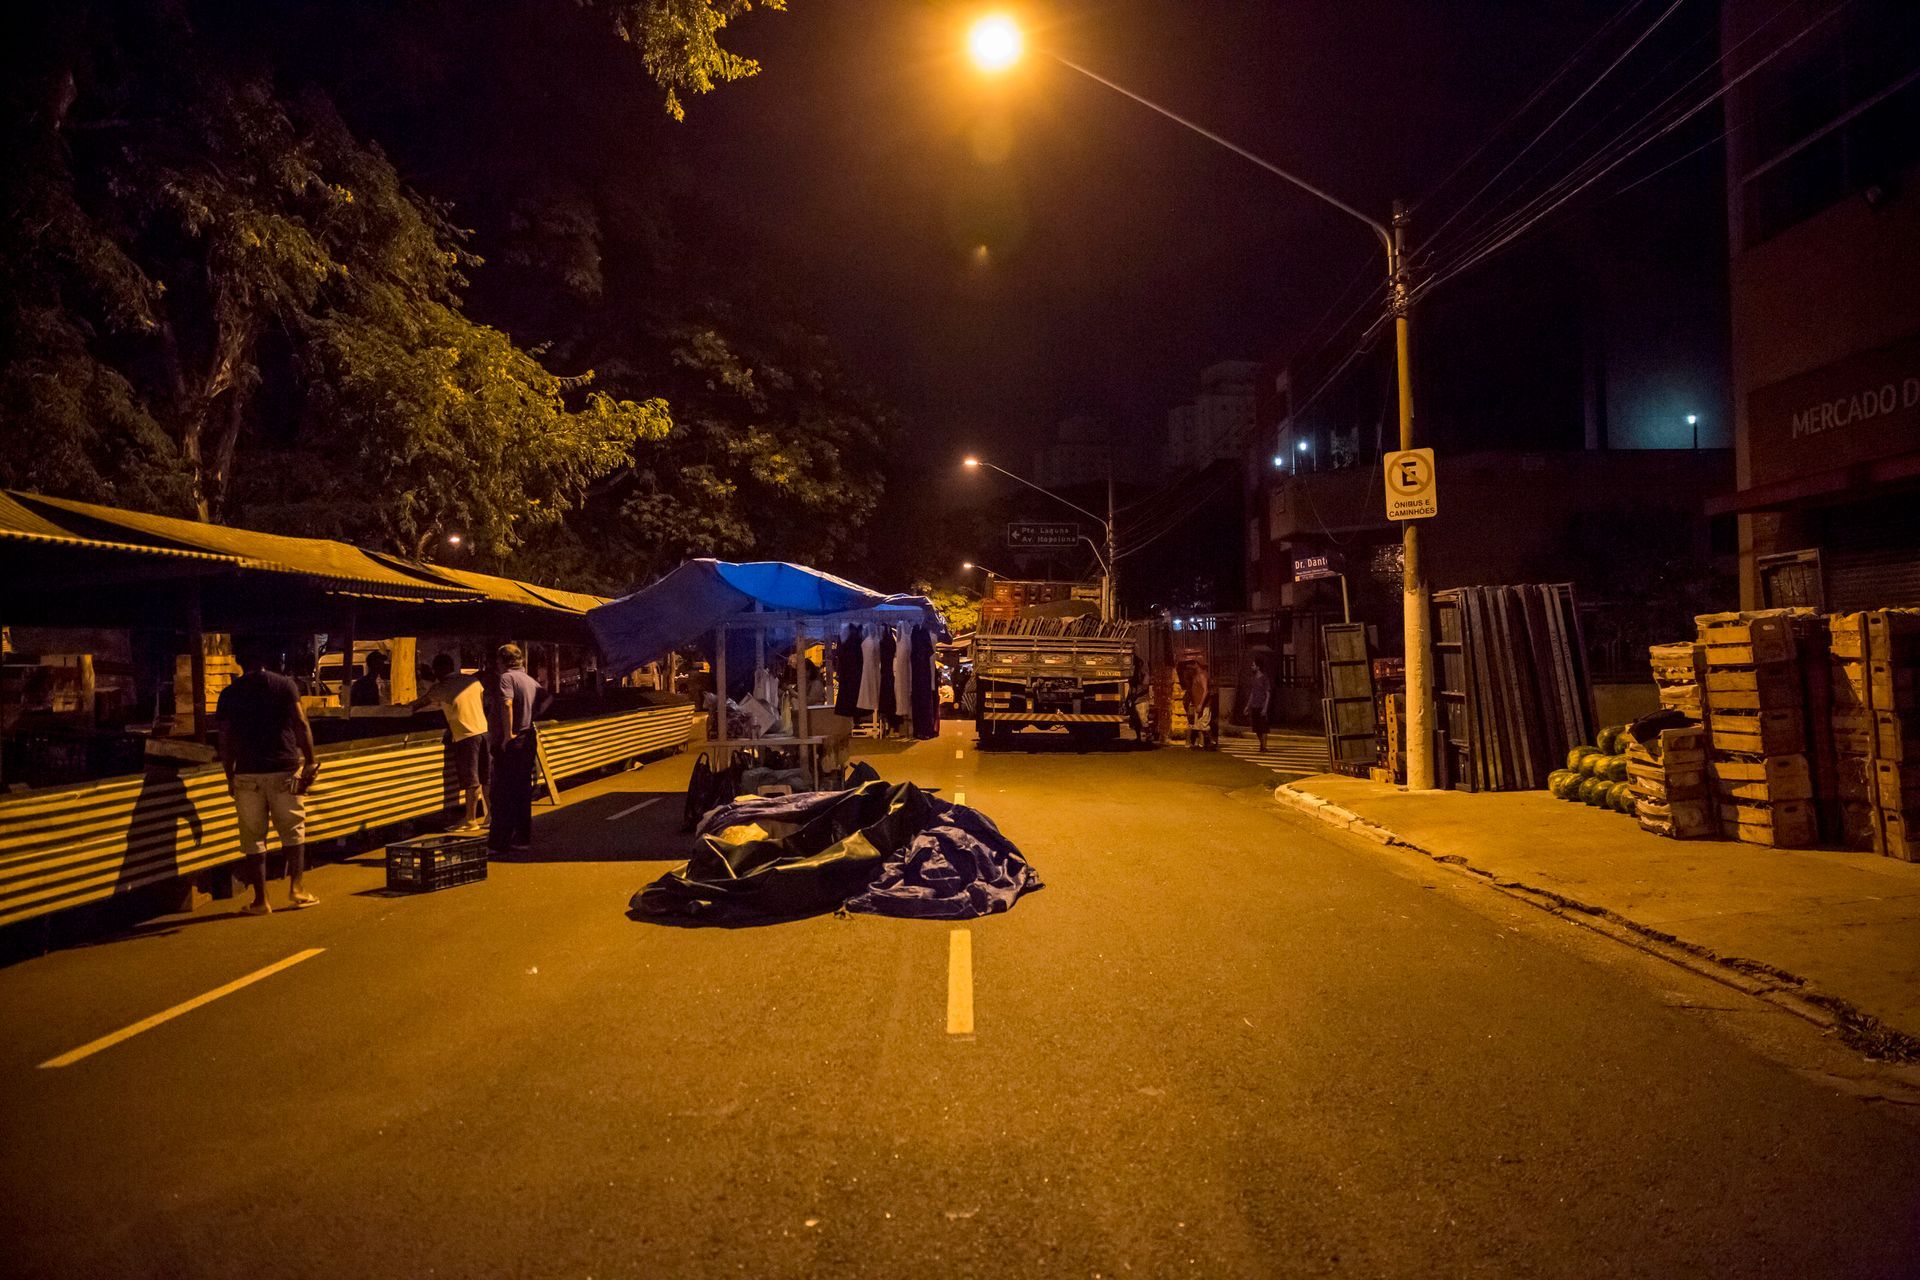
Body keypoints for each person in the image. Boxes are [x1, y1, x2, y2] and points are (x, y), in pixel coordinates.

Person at [215, 637, 320, 914]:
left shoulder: (229, 694)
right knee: (293, 830)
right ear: (269, 661)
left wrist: (229, 774)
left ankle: (261, 900)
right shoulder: (284, 685)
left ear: (239, 662)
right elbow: (300, 723)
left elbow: (224, 739)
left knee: (253, 837)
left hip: (247, 772)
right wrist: (310, 761)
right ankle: (297, 889)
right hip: (284, 768)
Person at [414, 653, 490, 831]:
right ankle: (491, 816)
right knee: (486, 778)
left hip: (465, 735)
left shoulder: (442, 687)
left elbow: (417, 705)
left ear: (439, 669)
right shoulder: (472, 681)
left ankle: (470, 820)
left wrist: (398, 708)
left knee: (471, 780)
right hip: (484, 731)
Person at [486, 643, 549, 854]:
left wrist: (508, 735)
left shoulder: (506, 678)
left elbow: (507, 704)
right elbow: (547, 699)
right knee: (522, 790)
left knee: (502, 793)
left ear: (502, 660)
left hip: (512, 741)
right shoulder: (529, 680)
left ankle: (498, 842)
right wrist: (531, 716)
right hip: (528, 738)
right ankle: (522, 838)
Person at [1246, 653, 1274, 753]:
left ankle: (1263, 746)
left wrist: (1265, 708)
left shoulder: (1264, 678)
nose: (1252, 667)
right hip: (1255, 705)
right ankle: (1262, 744)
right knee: (1257, 728)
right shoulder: (1253, 678)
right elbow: (1252, 693)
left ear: (1258, 667)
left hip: (1262, 706)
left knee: (1264, 728)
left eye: (1253, 665)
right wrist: (1248, 706)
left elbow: (1268, 693)